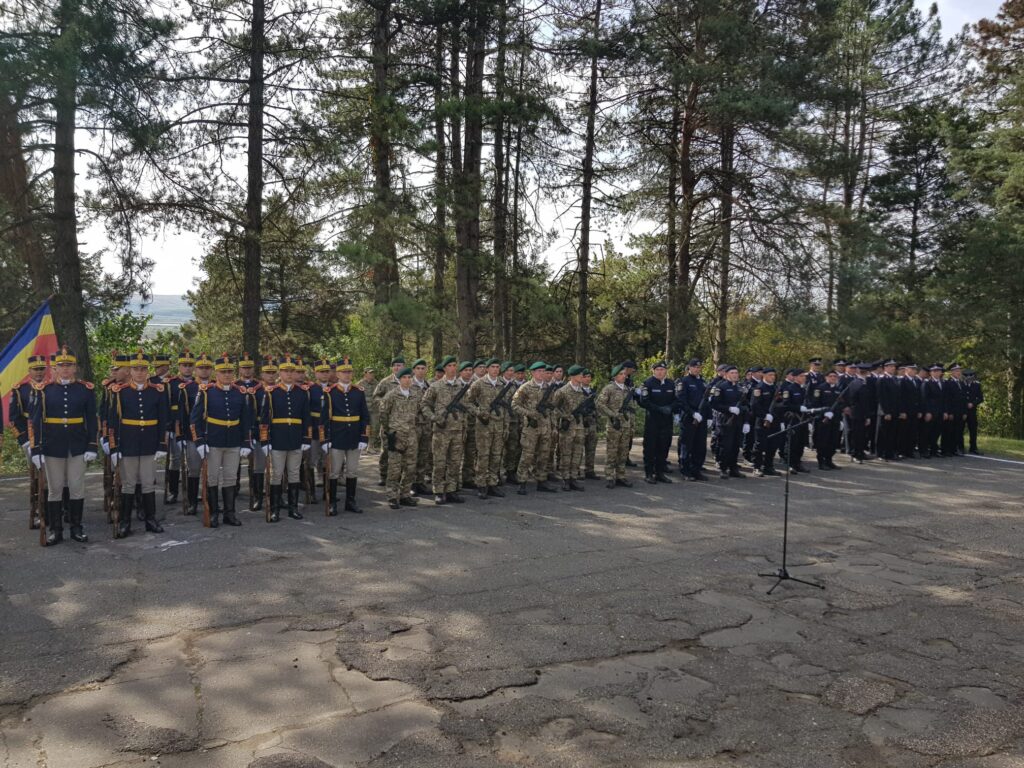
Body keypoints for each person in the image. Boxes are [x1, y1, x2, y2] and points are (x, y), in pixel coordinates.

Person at [30, 346, 97, 546]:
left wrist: (92, 445)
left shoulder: (85, 390)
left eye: (69, 365)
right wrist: (36, 449)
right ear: (54, 368)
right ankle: (56, 530)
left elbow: (91, 420)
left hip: (77, 445)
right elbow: (36, 422)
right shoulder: (44, 391)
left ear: (75, 368)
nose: (66, 369)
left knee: (77, 488)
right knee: (55, 489)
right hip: (52, 446)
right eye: (61, 365)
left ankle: (76, 527)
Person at [109, 351, 171, 536]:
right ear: (131, 371)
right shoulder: (121, 392)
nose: (140, 372)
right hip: (127, 443)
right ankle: (125, 521)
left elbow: (163, 420)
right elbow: (113, 422)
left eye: (143, 369)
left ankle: (150, 520)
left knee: (148, 483)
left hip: (149, 444)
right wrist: (114, 447)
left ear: (147, 370)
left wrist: (162, 445)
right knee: (128, 484)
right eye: (136, 369)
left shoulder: (157, 392)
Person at [189, 353, 250, 527]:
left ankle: (229, 514)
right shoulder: (206, 393)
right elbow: (195, 420)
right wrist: (199, 441)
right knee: (212, 478)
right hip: (213, 441)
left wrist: (246, 442)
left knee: (230, 478)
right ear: (216, 374)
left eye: (230, 371)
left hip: (233, 442)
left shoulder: (240, 393)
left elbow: (246, 420)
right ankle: (214, 512)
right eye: (223, 372)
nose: (227, 375)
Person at [262, 354, 312, 521]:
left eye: (292, 371)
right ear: (279, 373)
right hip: (277, 439)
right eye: (286, 371)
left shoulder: (302, 393)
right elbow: (264, 419)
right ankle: (275, 509)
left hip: (296, 439)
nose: (289, 374)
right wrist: (264, 441)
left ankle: (293, 508)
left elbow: (307, 418)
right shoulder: (271, 392)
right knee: (276, 475)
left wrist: (306, 438)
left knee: (294, 474)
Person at [320, 357, 370, 514]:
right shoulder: (330, 392)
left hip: (354, 436)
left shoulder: (358, 392)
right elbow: (324, 419)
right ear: (338, 374)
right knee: (334, 471)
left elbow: (365, 416)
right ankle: (333, 502)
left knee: (352, 471)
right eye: (343, 372)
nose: (347, 375)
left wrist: (364, 437)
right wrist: (325, 439)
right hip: (337, 437)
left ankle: (350, 501)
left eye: (349, 372)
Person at [10, 355, 48, 529]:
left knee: (54, 476)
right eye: (36, 369)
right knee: (38, 478)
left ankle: (59, 509)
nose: (39, 373)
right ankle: (41, 511)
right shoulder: (20, 390)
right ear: (29, 371)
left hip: (51, 438)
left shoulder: (51, 387)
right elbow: (14, 419)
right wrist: (24, 441)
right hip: (31, 439)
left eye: (42, 369)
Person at [464, 358, 508, 499]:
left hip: (499, 425)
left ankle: (492, 483)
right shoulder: (479, 383)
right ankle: (482, 484)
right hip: (484, 425)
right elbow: (468, 402)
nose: (495, 369)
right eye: (492, 367)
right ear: (487, 369)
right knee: (483, 455)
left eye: (497, 367)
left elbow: (506, 407)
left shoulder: (503, 384)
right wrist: (479, 413)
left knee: (496, 455)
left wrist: (506, 425)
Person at [512, 361, 557, 494]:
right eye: (538, 371)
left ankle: (541, 480)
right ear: (532, 373)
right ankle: (522, 481)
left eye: (543, 371)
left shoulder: (548, 388)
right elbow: (514, 405)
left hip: (545, 427)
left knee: (544, 455)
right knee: (527, 455)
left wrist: (553, 426)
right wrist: (529, 413)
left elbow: (552, 408)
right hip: (531, 427)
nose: (541, 373)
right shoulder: (525, 388)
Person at [379, 366, 420, 509]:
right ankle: (392, 496)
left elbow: (419, 413)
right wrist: (390, 431)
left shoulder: (415, 394)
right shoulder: (391, 395)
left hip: (411, 436)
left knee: (410, 467)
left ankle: (405, 495)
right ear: (399, 379)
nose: (407, 380)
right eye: (404, 377)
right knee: (395, 468)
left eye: (409, 377)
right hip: (396, 436)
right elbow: (383, 414)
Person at [595, 363, 635, 488]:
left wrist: (632, 424)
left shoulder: (627, 389)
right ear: (615, 376)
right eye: (621, 374)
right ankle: (609, 476)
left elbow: (632, 408)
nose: (624, 376)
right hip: (614, 425)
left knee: (623, 452)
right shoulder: (609, 389)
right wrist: (612, 415)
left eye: (624, 374)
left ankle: (621, 476)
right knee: (612, 451)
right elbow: (600, 404)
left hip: (626, 425)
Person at [550, 364, 588, 491]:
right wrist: (564, 417)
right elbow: (553, 409)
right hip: (567, 428)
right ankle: (565, 479)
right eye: (580, 375)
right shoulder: (562, 391)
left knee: (577, 454)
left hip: (579, 427)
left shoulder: (582, 391)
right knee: (566, 454)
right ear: (573, 376)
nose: (583, 377)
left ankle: (573, 478)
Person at [637, 361, 675, 484]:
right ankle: (649, 474)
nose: (660, 372)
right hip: (653, 420)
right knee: (650, 447)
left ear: (666, 371)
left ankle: (660, 473)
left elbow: (677, 399)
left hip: (667, 420)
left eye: (662, 370)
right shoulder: (647, 384)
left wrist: (671, 407)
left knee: (663, 447)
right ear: (653, 371)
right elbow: (644, 401)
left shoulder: (670, 384)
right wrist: (659, 409)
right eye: (657, 369)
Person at [709, 365, 747, 479]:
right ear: (726, 375)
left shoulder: (741, 388)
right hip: (725, 420)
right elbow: (714, 404)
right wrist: (729, 409)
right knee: (725, 445)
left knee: (736, 445)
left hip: (738, 421)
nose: (735, 375)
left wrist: (746, 421)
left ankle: (733, 467)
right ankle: (723, 468)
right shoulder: (721, 387)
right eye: (732, 373)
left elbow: (746, 404)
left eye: (736, 373)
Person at [373, 357, 405, 486]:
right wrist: (385, 404)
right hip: (388, 422)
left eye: (400, 365)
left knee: (402, 451)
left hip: (403, 423)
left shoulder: (408, 381)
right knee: (386, 450)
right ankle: (383, 474)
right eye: (395, 365)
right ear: (392, 367)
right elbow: (376, 397)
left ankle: (399, 476)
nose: (398, 368)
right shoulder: (385, 382)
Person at [749, 367, 779, 477]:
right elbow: (754, 405)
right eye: (770, 375)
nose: (773, 377)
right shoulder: (759, 388)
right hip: (762, 421)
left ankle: (768, 467)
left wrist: (774, 416)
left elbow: (779, 405)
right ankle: (757, 467)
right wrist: (765, 415)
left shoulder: (776, 388)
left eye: (774, 375)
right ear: (764, 376)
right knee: (760, 445)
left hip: (774, 421)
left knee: (772, 445)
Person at [810, 369, 841, 470]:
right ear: (826, 377)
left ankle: (829, 460)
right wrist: (824, 412)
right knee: (822, 441)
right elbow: (815, 404)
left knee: (833, 441)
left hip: (834, 419)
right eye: (831, 376)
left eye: (835, 376)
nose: (833, 378)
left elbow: (840, 405)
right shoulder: (820, 388)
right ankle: (821, 461)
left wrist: (838, 417)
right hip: (823, 420)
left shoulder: (838, 389)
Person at [964, 369, 984, 454]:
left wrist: (973, 403)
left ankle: (973, 447)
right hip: (963, 410)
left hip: (972, 411)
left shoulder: (977, 385)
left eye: (971, 376)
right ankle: (959, 446)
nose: (969, 378)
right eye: (967, 376)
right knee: (959, 429)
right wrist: (965, 404)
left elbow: (980, 398)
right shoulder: (961, 385)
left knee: (973, 429)